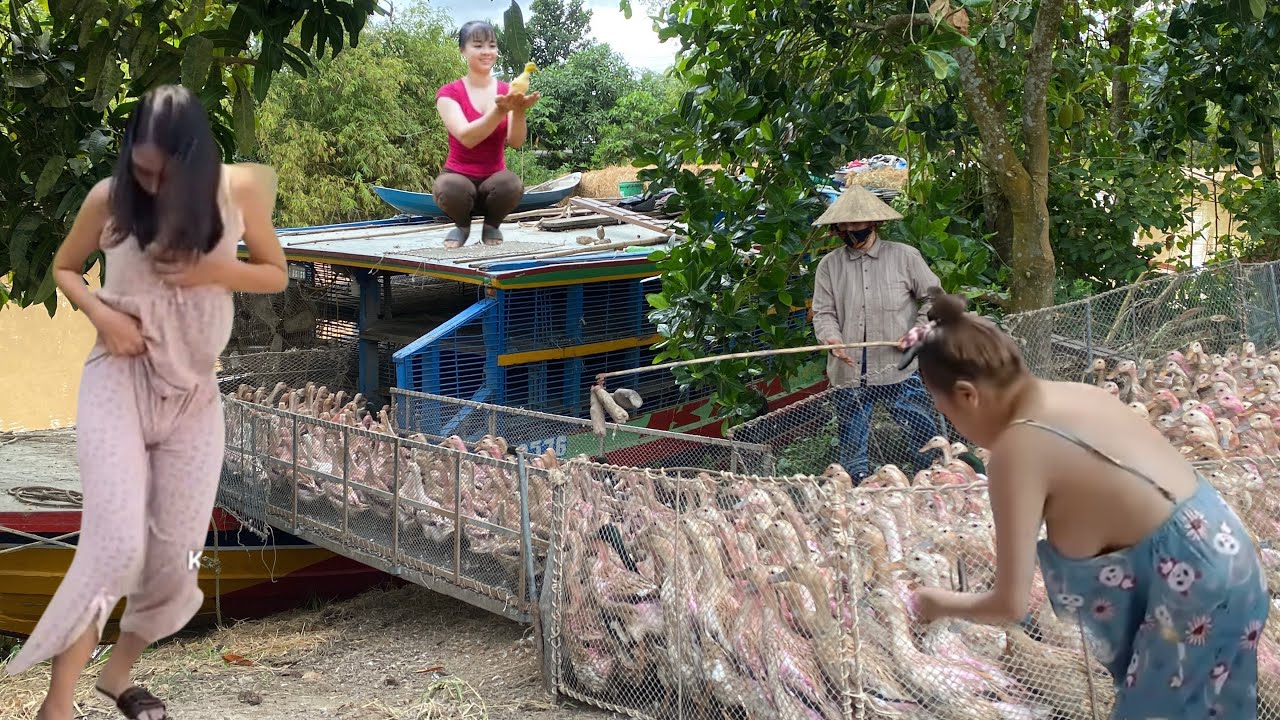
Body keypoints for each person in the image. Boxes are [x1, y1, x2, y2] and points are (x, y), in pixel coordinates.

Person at [5, 84, 288, 720]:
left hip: (194, 397)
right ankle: (57, 704)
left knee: (176, 557)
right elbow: (65, 269)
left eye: (165, 174)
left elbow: (275, 272)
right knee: (114, 547)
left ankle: (119, 676)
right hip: (120, 384)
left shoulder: (236, 193)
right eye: (141, 167)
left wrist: (217, 272)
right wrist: (101, 316)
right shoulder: (108, 201)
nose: (151, 185)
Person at [904, 292, 1269, 718]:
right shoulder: (1077, 394)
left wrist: (932, 602)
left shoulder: (1015, 452)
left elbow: (1010, 603)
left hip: (1192, 589)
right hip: (1230, 555)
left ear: (967, 395)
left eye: (943, 408)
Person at [810, 184, 944, 482]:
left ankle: (933, 491)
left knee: (925, 443)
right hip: (849, 374)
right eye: (843, 225)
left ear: (874, 223)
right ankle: (860, 500)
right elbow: (823, 313)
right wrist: (832, 340)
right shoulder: (829, 267)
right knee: (853, 452)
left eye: (856, 224)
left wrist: (917, 332)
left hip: (899, 369)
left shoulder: (905, 257)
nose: (849, 229)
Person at [434, 20, 540, 249]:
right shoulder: (448, 93)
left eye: (491, 46)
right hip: (459, 180)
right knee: (448, 188)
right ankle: (462, 226)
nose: (486, 52)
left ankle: (492, 225)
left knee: (511, 184)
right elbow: (467, 137)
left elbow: (516, 141)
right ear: (463, 50)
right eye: (478, 45)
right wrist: (500, 109)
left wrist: (519, 111)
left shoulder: (506, 90)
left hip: (494, 181)